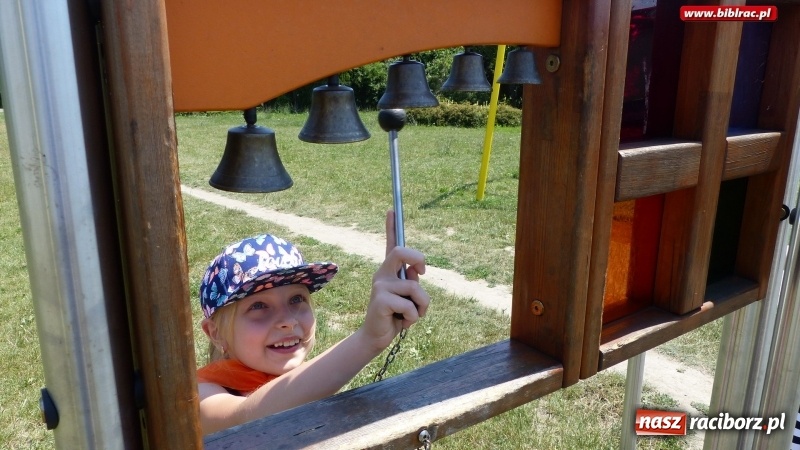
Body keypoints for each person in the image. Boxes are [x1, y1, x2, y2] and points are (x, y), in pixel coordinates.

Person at [196, 211, 429, 435]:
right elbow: (245, 418)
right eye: (258, 306)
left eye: (297, 299)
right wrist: (367, 340)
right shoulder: (199, 396)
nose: (287, 320)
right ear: (215, 333)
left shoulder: (315, 381)